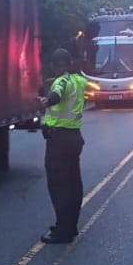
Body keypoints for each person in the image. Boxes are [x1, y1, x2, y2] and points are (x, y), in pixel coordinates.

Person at [37, 49, 87, 244]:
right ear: (70, 63)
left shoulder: (62, 82)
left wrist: (47, 100)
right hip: (74, 137)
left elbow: (57, 93)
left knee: (59, 185)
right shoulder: (79, 81)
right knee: (73, 183)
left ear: (52, 65)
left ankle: (63, 230)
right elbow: (69, 84)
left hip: (59, 141)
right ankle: (71, 225)